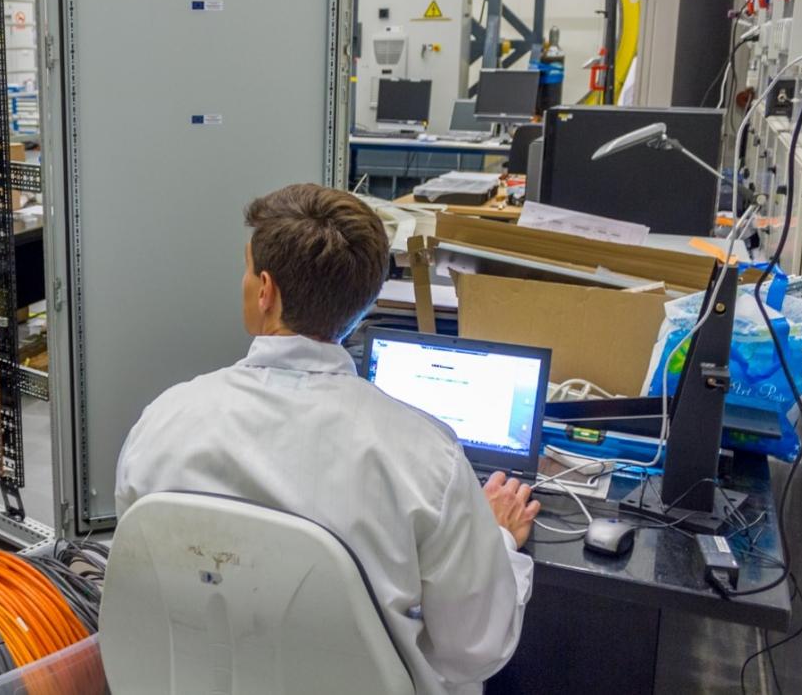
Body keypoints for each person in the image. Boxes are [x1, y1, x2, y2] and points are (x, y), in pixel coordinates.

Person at [114, 183, 539, 695]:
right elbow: (475, 650)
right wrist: (495, 543)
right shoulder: (426, 458)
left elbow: (145, 577)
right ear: (364, 303)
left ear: (265, 290)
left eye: (247, 270)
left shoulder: (163, 421)